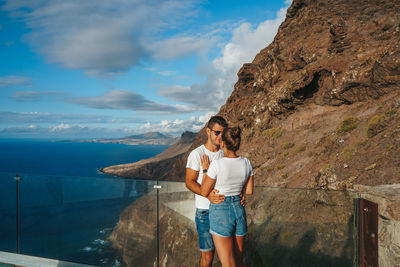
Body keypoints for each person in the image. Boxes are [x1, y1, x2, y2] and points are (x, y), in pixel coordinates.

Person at [200, 126, 254, 267]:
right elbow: (249, 190)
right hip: (239, 209)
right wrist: (239, 192)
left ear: (222, 143)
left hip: (221, 211)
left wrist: (206, 169)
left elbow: (205, 191)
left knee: (228, 264)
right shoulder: (246, 162)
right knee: (239, 260)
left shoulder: (216, 164)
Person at [186, 115, 228, 267]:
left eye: (223, 133)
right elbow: (189, 182)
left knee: (227, 255)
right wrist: (207, 194)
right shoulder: (196, 154)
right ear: (208, 131)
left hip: (224, 209)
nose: (220, 136)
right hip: (205, 212)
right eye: (217, 132)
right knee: (208, 255)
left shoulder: (225, 152)